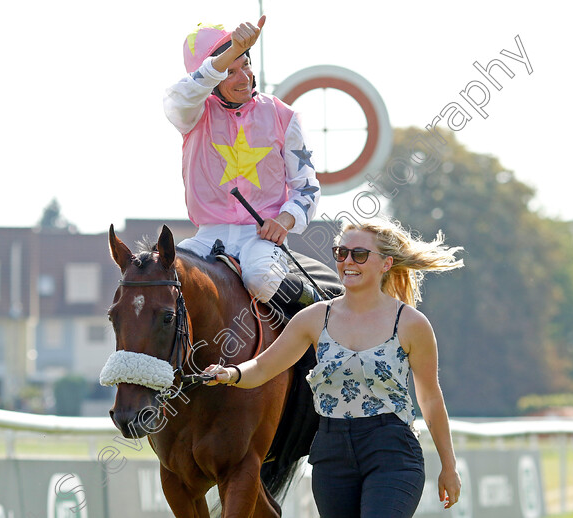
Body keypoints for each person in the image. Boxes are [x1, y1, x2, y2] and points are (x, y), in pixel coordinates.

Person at [204, 218, 463, 517]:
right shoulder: (314, 318)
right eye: (341, 253)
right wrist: (231, 374)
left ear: (386, 264)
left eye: (360, 255)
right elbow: (263, 368)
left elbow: (430, 398)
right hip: (331, 452)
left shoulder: (411, 323)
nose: (348, 262)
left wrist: (449, 466)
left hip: (392, 452)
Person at [164, 16, 326, 314]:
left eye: (245, 65)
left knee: (260, 277)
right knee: (165, 279)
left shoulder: (283, 115)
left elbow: (307, 188)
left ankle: (322, 317)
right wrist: (231, 51)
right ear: (211, 79)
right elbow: (178, 97)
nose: (244, 78)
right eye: (229, 71)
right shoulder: (192, 113)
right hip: (206, 236)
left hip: (260, 238)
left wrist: (284, 221)